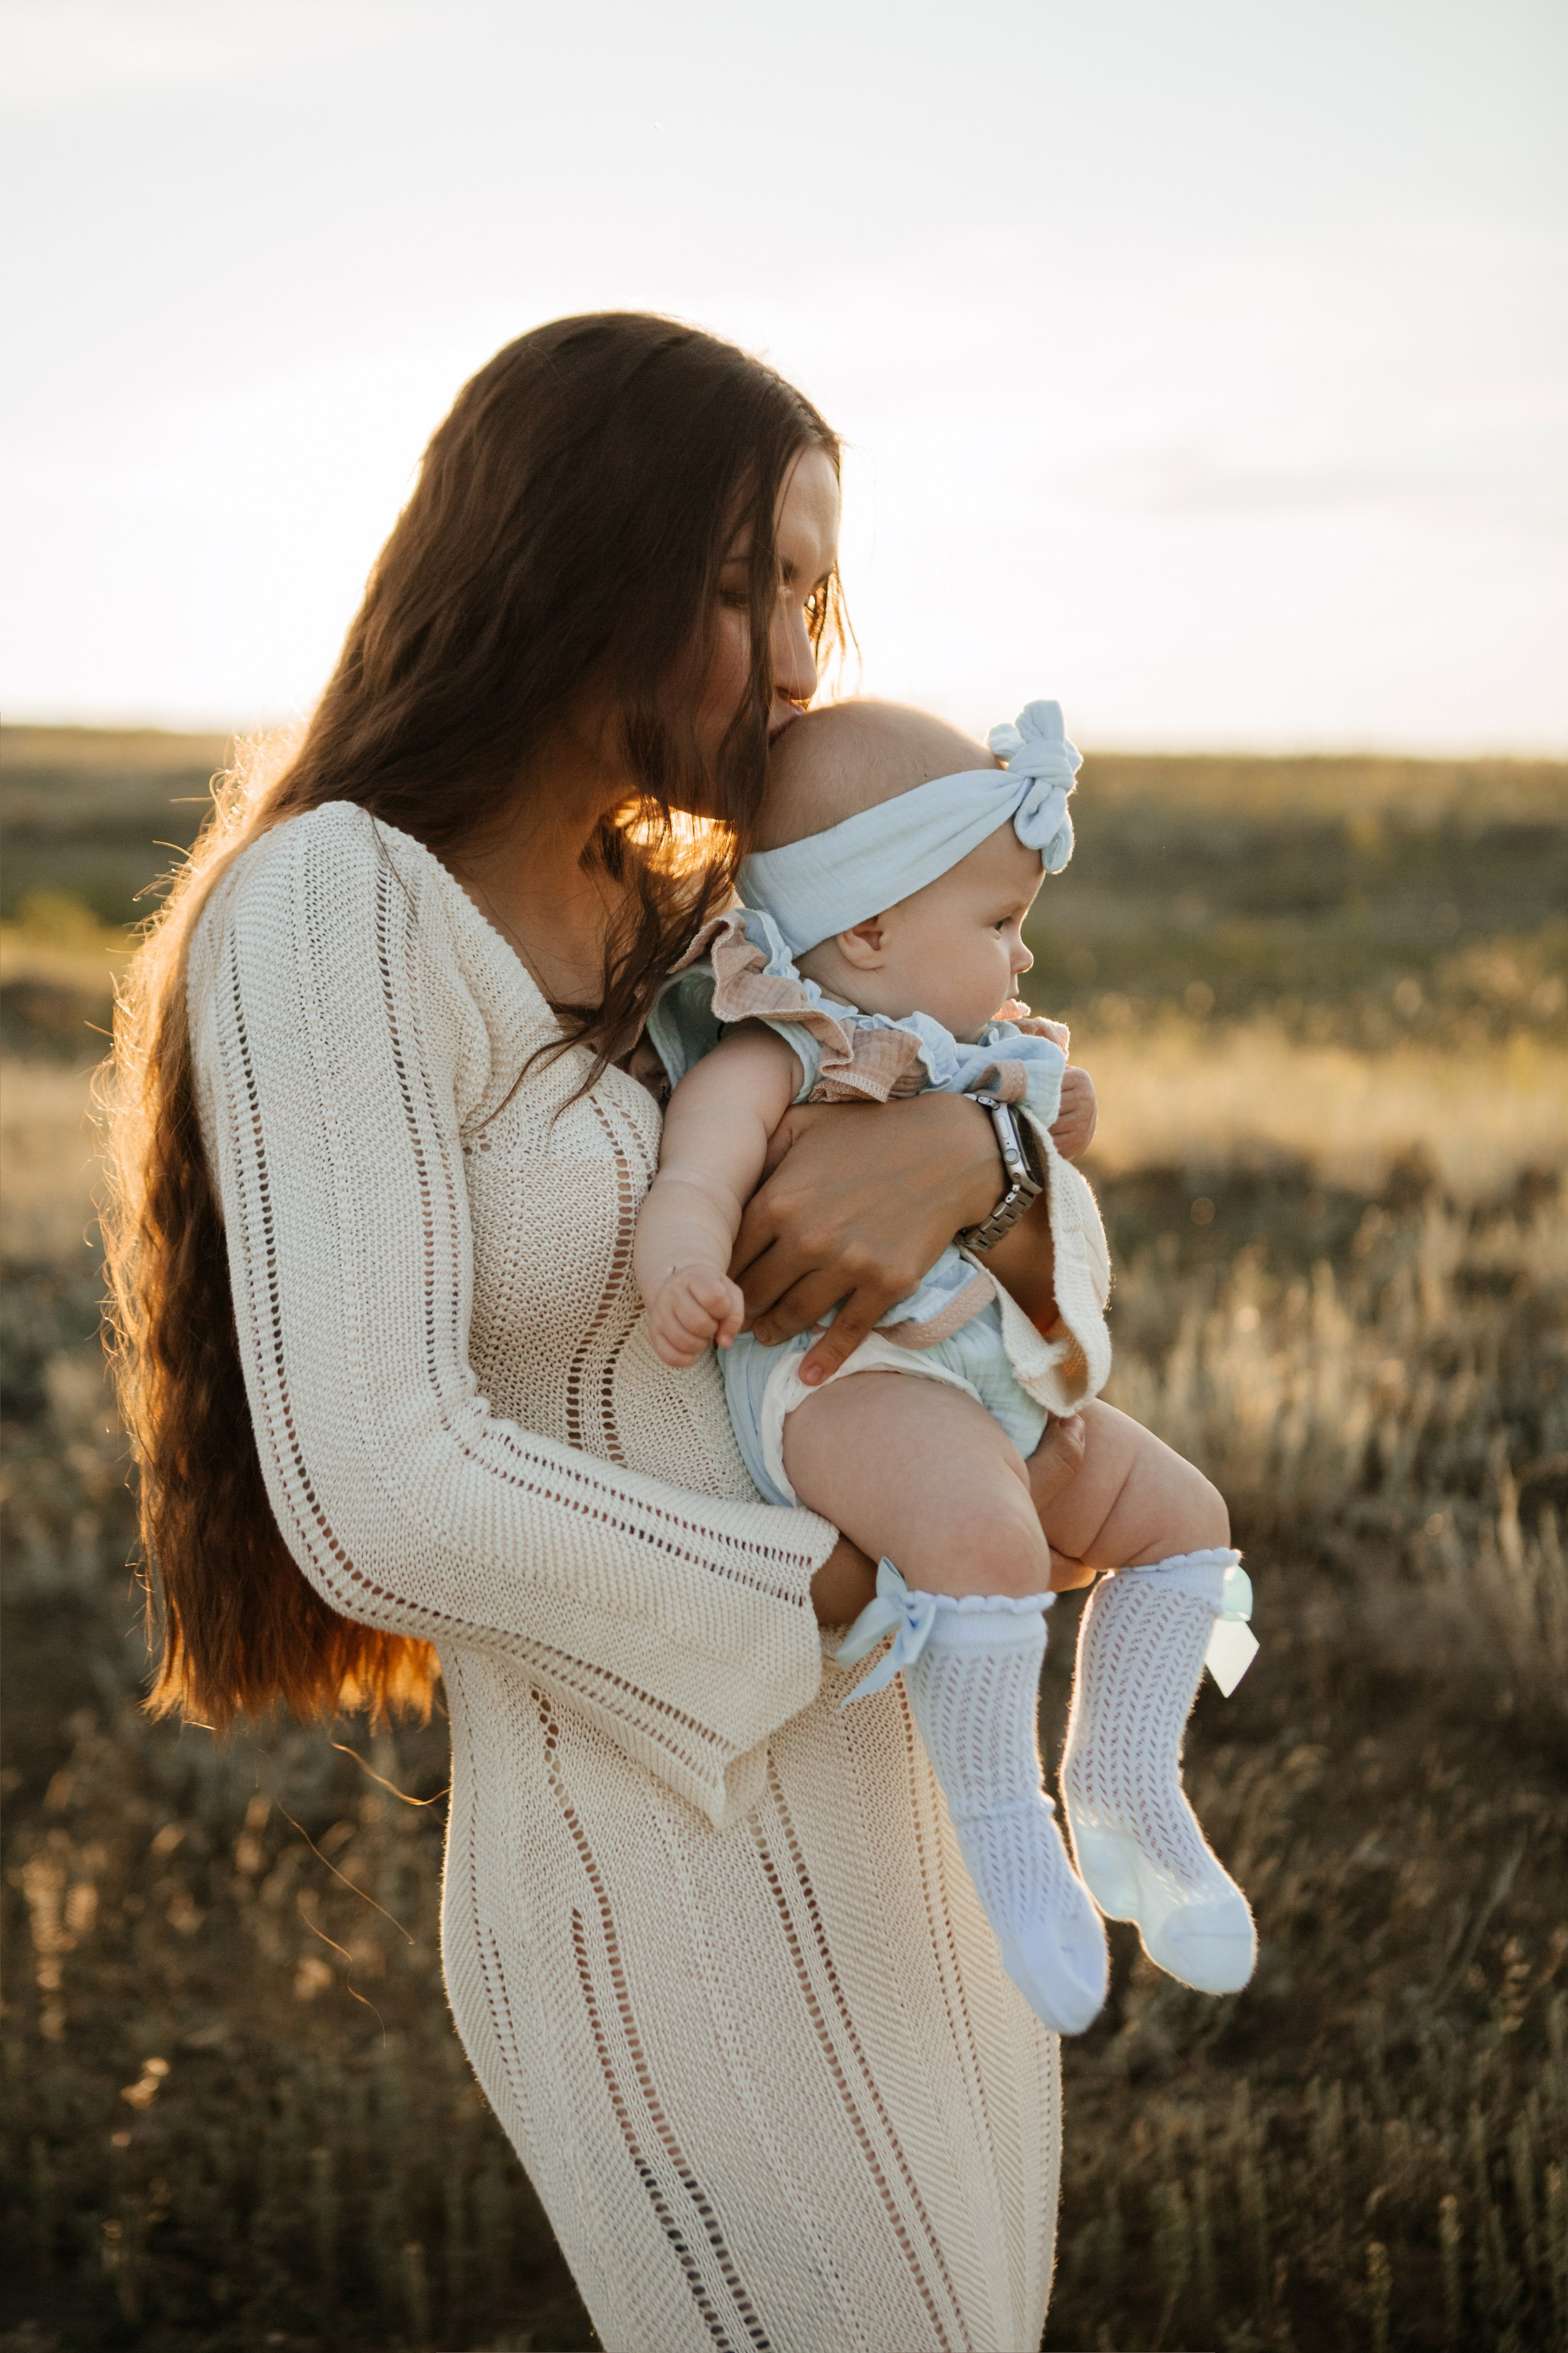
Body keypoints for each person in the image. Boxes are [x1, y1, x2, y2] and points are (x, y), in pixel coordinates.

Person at [105, 313, 1108, 2352]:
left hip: (900, 1803)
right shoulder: (343, 907)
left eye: (811, 592)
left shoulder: (685, 922)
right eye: (742, 586)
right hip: (658, 1860)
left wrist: (968, 1175)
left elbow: (1018, 1142)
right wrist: (832, 1575)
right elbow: (377, 1486)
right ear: (567, 559)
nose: (800, 658)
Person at [635, 696, 1260, 2035]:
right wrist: (682, 1264)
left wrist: (1053, 1109)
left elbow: (1035, 1160)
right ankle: (1004, 1823)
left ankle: (1125, 1782)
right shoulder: (770, 1055)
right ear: (865, 929)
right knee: (982, 1538)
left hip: (1003, 1379)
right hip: (847, 1389)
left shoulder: (989, 1051)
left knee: (1180, 1521)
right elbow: (695, 1174)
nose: (1020, 950)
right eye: (993, 923)